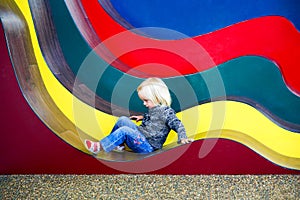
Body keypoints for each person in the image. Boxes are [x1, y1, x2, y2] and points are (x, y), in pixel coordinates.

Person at [84, 77, 193, 154]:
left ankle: (100, 146)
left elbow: (177, 124)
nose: (144, 103)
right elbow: (153, 118)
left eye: (146, 100)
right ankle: (118, 144)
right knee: (123, 120)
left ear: (157, 98)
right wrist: (142, 117)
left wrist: (182, 137)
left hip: (148, 146)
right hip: (142, 136)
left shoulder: (167, 112)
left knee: (125, 130)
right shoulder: (154, 109)